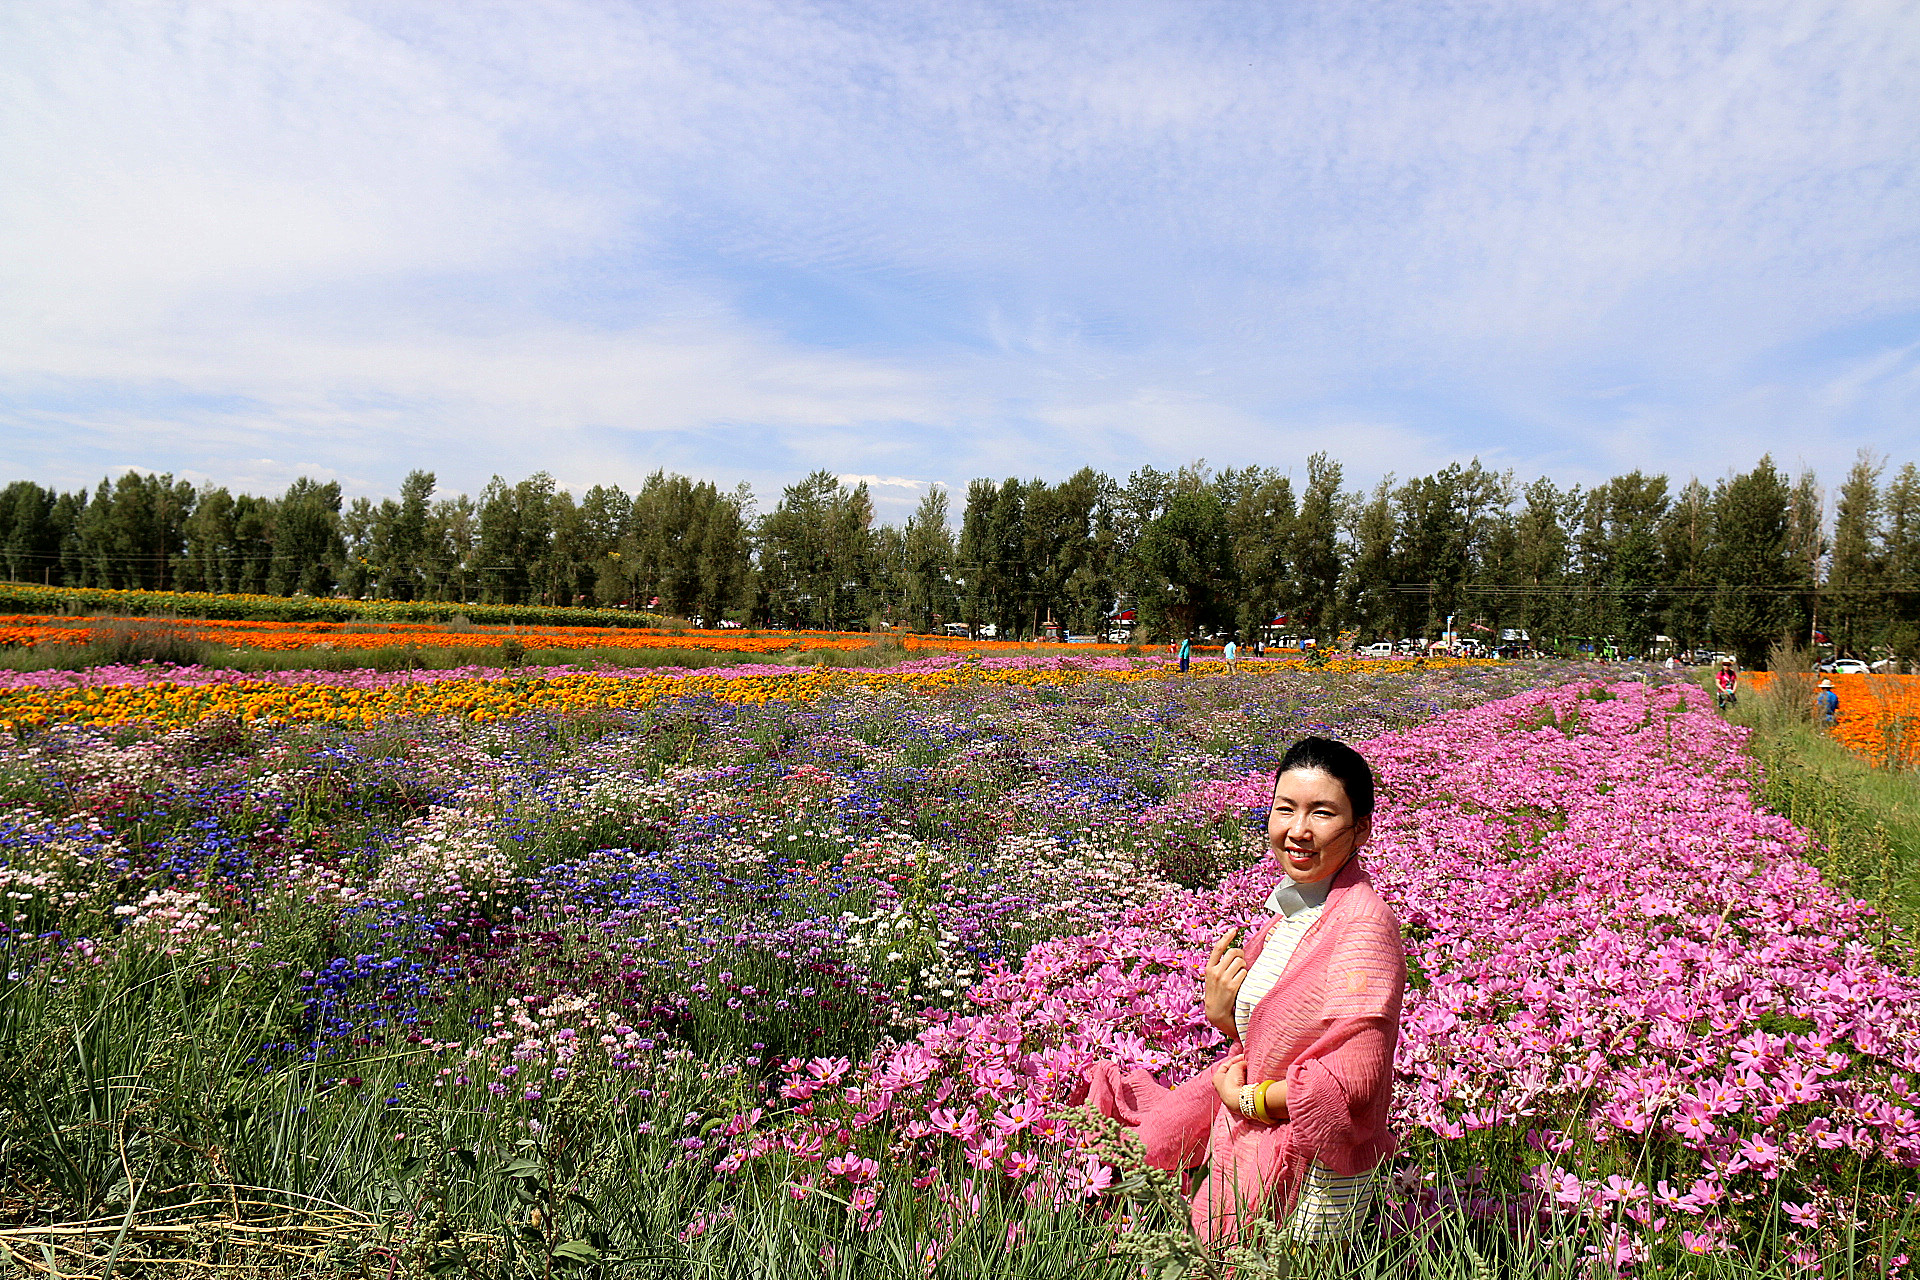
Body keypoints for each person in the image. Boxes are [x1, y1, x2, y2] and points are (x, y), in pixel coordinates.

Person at [1080, 737, 1406, 1245]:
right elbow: (1282, 1039)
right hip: (1253, 1142)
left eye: (1321, 813)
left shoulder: (1363, 928)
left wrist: (1248, 1099)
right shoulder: (1290, 916)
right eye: (1285, 809)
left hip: (1314, 1173)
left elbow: (1351, 1082)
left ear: (1359, 828)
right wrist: (1222, 1013)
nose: (1297, 831)